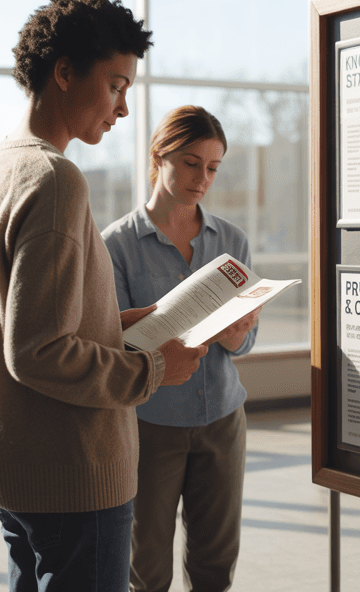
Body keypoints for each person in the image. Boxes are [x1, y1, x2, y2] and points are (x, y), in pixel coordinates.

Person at [0, 0, 208, 592]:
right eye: (116, 86)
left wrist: (117, 322)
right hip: (73, 474)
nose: (123, 109)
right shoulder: (55, 179)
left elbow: (24, 314)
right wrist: (152, 367)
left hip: (18, 467)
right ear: (64, 73)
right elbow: (38, 351)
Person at [102, 106, 261, 592]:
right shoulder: (117, 245)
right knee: (146, 567)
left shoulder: (231, 240)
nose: (202, 178)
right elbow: (118, 343)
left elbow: (245, 341)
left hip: (222, 420)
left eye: (212, 168)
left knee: (216, 564)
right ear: (159, 156)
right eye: (191, 163)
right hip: (151, 424)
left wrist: (233, 333)